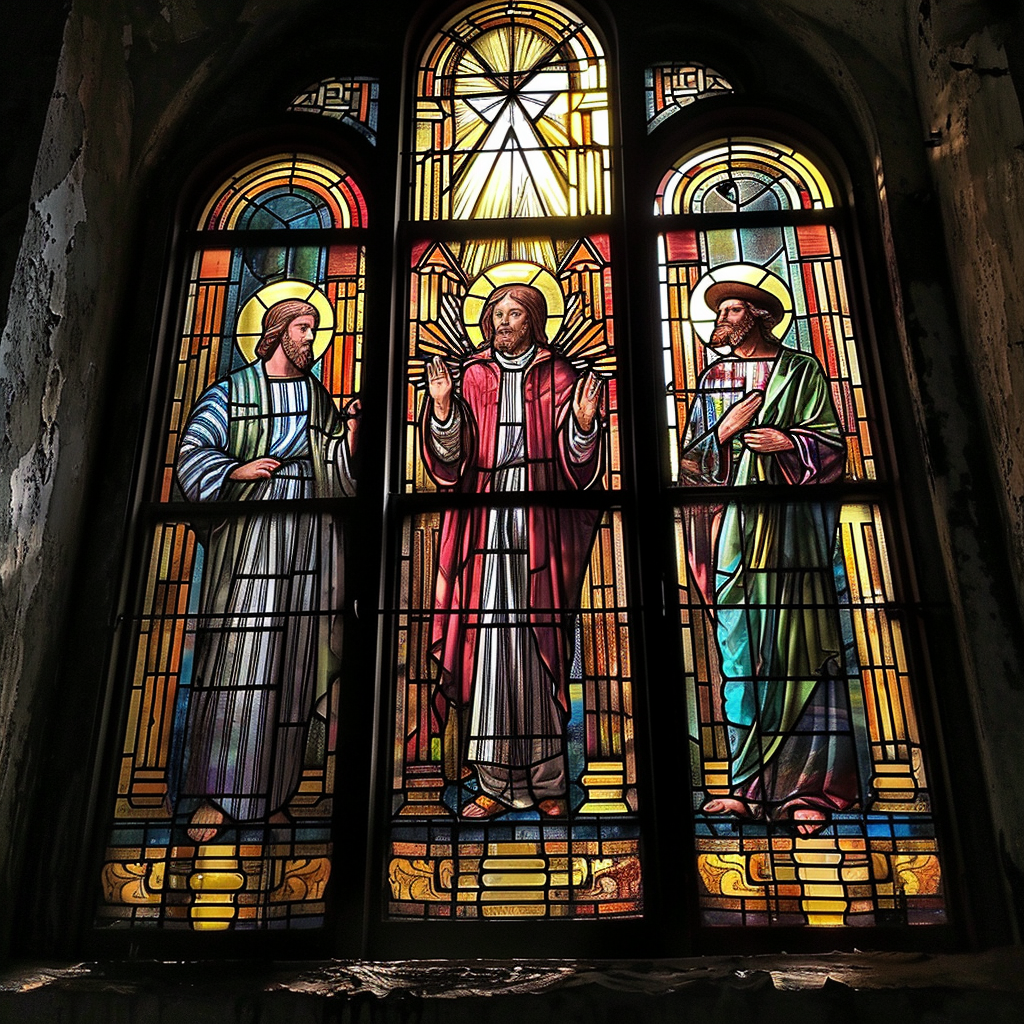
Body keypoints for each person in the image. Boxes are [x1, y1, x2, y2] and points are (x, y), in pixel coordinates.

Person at [679, 281, 859, 834]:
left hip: (791, 532)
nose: (722, 320)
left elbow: (834, 448)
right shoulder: (713, 380)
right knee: (741, 652)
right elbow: (690, 467)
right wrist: (724, 433)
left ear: (757, 316)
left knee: (799, 648)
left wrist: (792, 444)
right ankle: (744, 785)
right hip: (733, 528)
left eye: (730, 310)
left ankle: (810, 790)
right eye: (719, 312)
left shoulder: (801, 371)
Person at [175, 298, 358, 842]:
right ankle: (218, 792)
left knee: (293, 663)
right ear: (278, 332)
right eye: (305, 329)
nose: (312, 339)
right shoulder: (231, 391)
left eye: (316, 330)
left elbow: (342, 470)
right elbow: (191, 455)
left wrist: (347, 436)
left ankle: (271, 794)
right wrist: (237, 469)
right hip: (252, 537)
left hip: (308, 539)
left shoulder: (316, 397)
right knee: (238, 657)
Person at [422, 283, 604, 819]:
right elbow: (449, 463)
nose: (504, 322)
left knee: (537, 647)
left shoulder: (560, 376)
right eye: (496, 313)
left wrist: (585, 423)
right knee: (487, 650)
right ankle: (495, 782)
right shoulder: (473, 376)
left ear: (534, 322)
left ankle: (548, 783)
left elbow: (580, 465)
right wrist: (441, 411)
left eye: (515, 314)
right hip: (484, 522)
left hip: (540, 524)